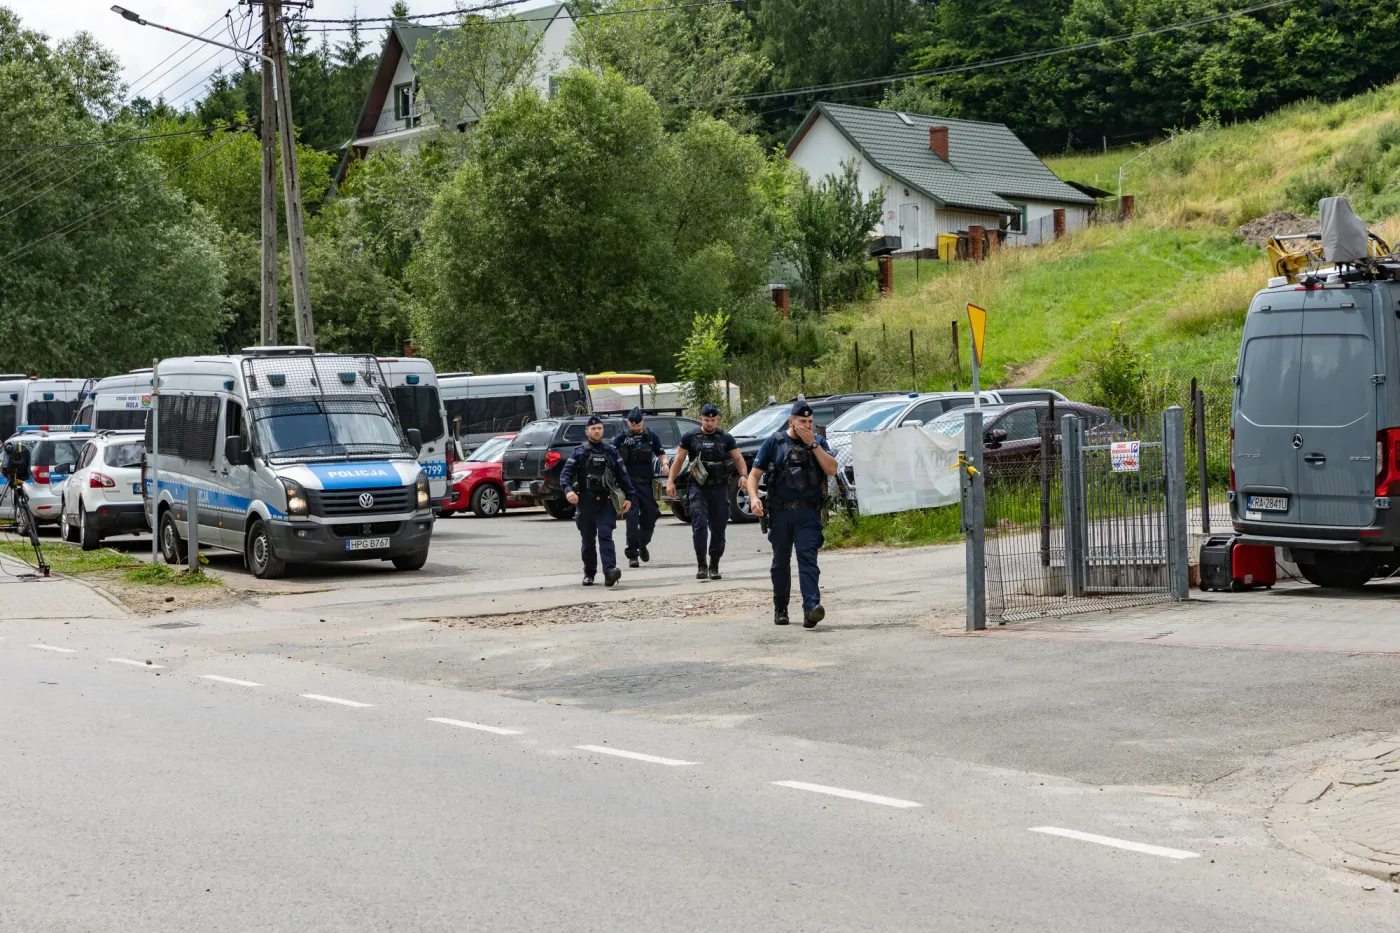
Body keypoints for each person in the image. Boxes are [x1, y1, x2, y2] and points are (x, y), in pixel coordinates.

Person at [747, 400, 839, 627]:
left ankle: (811, 608)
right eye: (802, 422)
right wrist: (753, 498)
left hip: (808, 512)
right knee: (780, 562)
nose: (807, 426)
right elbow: (753, 476)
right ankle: (781, 607)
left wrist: (813, 445)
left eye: (810, 422)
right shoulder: (774, 442)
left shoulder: (818, 442)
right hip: (780, 513)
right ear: (791, 421)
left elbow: (832, 469)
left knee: (808, 558)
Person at [667, 402, 746, 581]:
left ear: (717, 419)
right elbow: (679, 460)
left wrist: (744, 476)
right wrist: (671, 481)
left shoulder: (726, 438)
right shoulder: (690, 437)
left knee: (719, 529)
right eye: (706, 420)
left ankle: (714, 565)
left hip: (719, 488)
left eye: (713, 420)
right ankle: (701, 564)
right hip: (698, 488)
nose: (709, 423)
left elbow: (738, 458)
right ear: (700, 419)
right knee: (699, 525)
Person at [560, 415, 635, 587]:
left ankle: (610, 572)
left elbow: (623, 476)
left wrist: (629, 497)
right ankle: (589, 573)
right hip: (586, 502)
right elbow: (565, 475)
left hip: (606, 502)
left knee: (605, 535)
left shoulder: (611, 451)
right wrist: (568, 490)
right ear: (587, 432)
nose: (597, 431)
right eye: (593, 428)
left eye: (599, 428)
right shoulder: (579, 452)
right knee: (588, 541)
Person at [612, 408, 667, 569]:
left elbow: (661, 453)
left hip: (646, 483)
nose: (635, 427)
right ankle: (633, 554)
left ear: (643, 422)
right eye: (632, 424)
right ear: (628, 422)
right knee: (632, 518)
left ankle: (642, 544)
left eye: (638, 424)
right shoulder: (621, 438)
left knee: (652, 514)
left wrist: (665, 463)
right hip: (629, 485)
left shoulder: (651, 436)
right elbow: (612, 457)